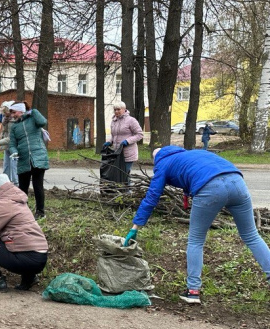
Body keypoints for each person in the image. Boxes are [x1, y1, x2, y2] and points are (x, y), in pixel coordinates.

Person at [124, 146, 270, 304]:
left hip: (210, 188)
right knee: (251, 235)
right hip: (237, 182)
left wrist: (135, 227)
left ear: (156, 159)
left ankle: (193, 291)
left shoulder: (162, 163)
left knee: (196, 240)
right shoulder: (193, 154)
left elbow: (152, 197)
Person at [8, 102, 49, 219]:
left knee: (38, 186)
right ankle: (23, 213)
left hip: (38, 156)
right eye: (11, 113)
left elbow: (43, 122)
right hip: (23, 159)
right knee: (23, 188)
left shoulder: (33, 119)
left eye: (14, 112)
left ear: (21, 110)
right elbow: (12, 144)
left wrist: (34, 111)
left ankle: (40, 212)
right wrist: (14, 151)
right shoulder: (15, 127)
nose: (13, 115)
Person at [103, 101, 143, 176]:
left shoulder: (131, 120)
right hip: (117, 153)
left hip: (128, 153)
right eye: (115, 110)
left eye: (118, 109)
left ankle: (128, 188)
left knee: (124, 175)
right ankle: (122, 188)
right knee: (118, 175)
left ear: (124, 109)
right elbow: (114, 135)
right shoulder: (114, 121)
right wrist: (109, 141)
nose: (116, 111)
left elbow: (139, 134)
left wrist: (127, 141)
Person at [0, 100, 18, 187]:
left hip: (13, 146)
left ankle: (15, 183)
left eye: (5, 113)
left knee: (13, 165)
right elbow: (4, 130)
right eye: (3, 113)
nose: (4, 114)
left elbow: (11, 138)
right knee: (6, 165)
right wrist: (1, 118)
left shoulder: (14, 122)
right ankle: (5, 182)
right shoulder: (6, 119)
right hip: (6, 146)